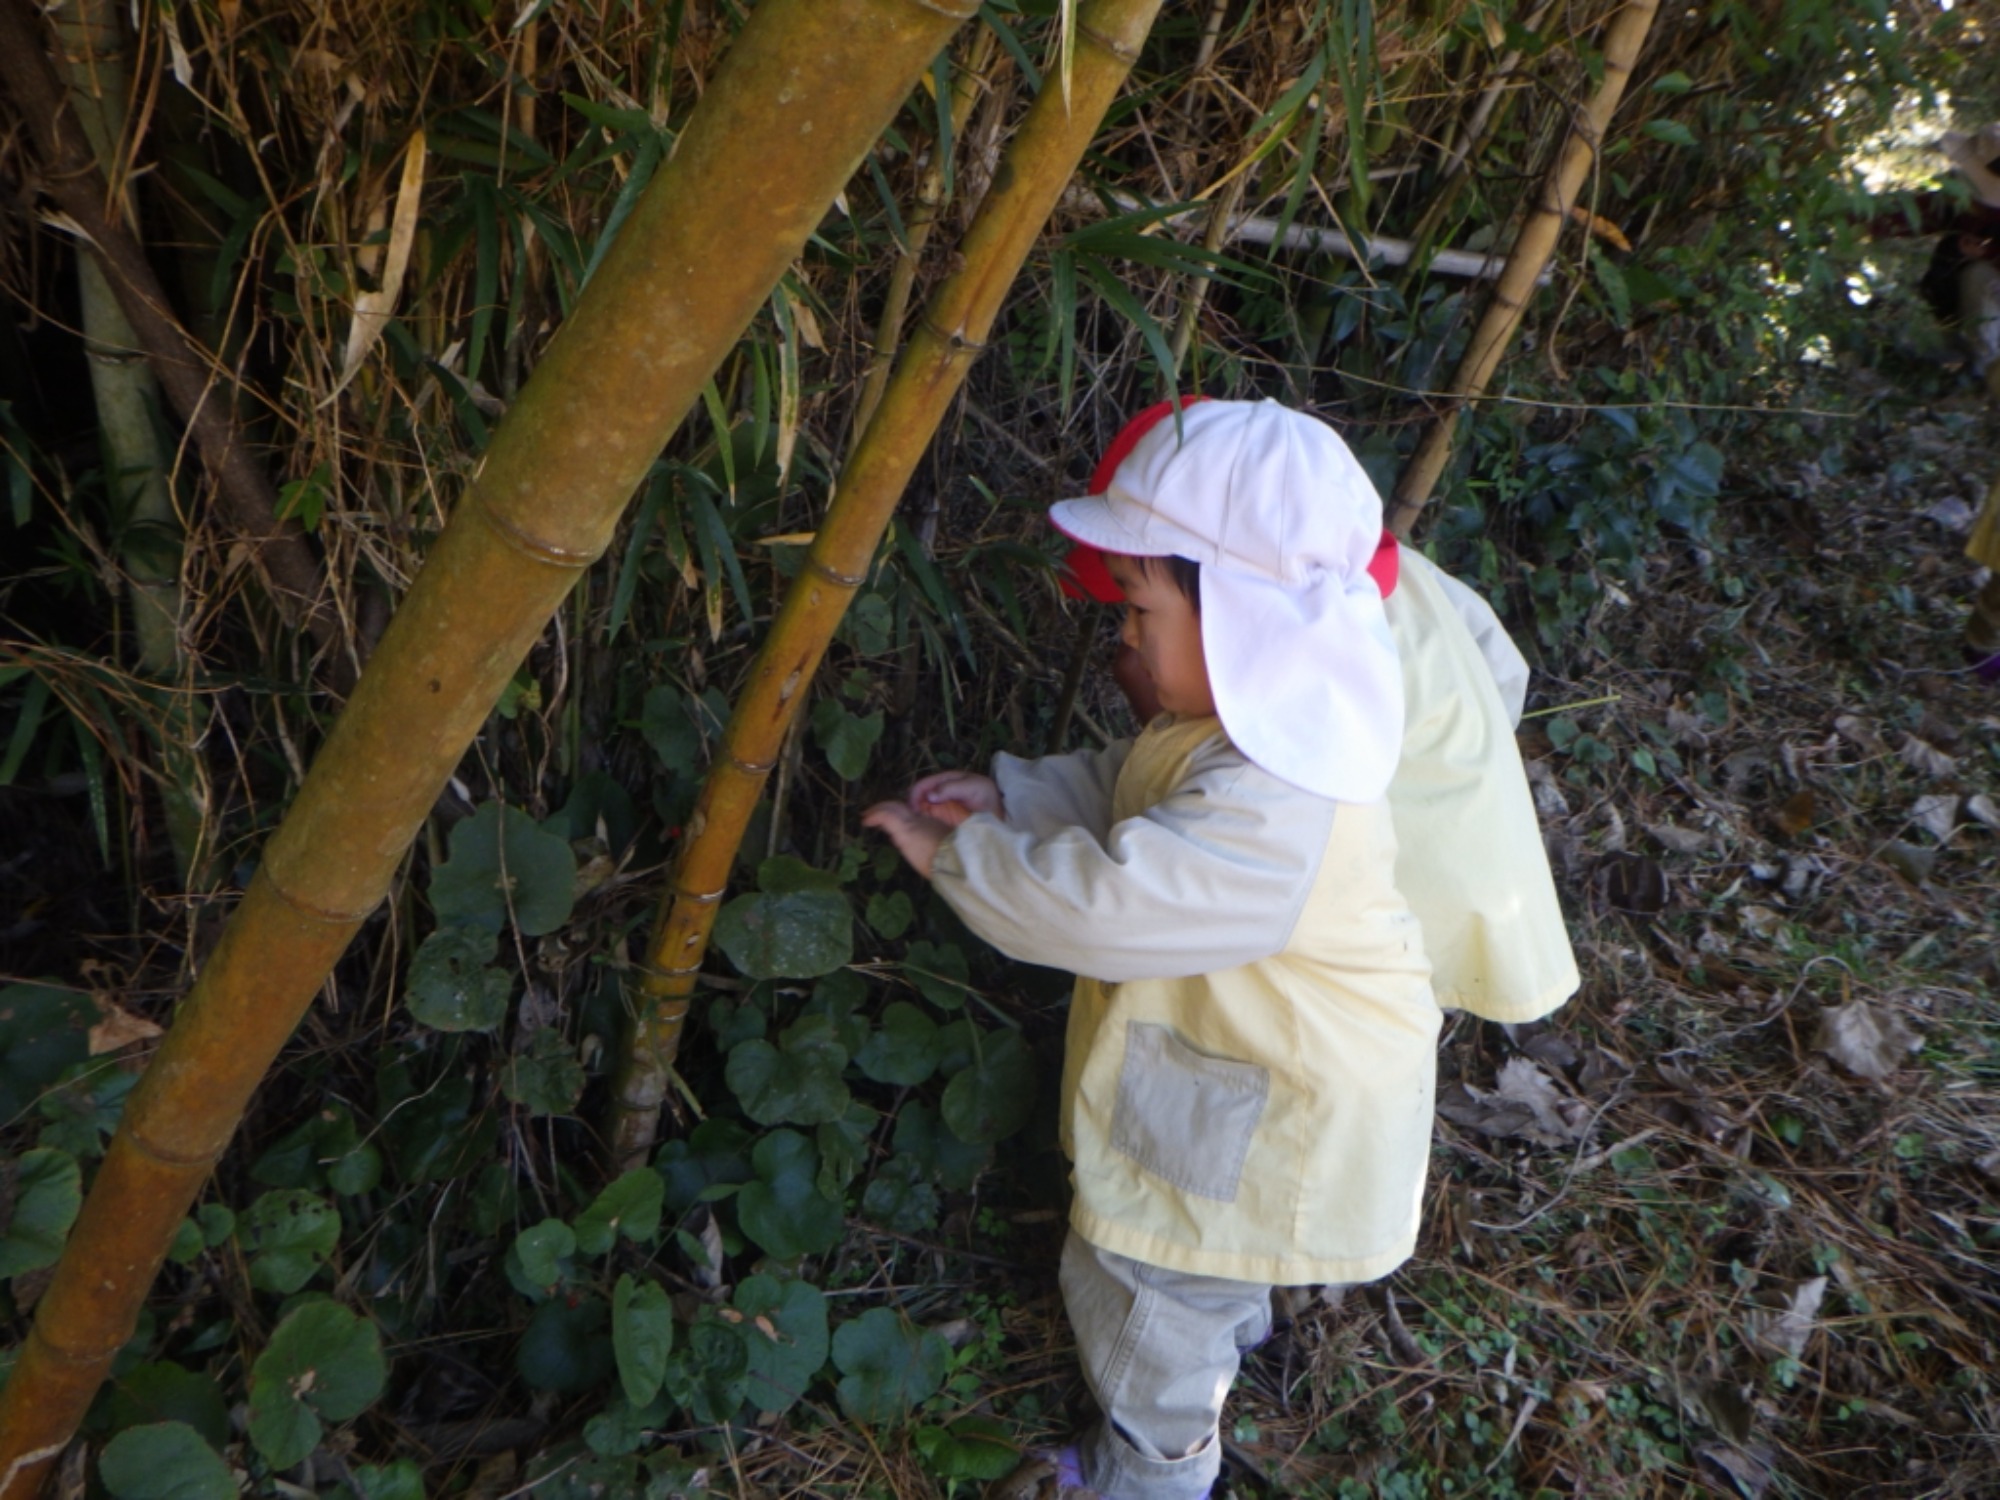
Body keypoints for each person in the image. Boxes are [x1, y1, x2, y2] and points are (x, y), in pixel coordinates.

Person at [864, 399, 1575, 1500]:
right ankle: (1221, 1333)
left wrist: (958, 861)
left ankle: (1149, 1474)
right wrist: (1011, 795)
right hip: (1251, 1082)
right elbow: (1125, 783)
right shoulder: (1253, 728)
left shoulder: (1278, 797)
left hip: (1269, 1107)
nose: (1124, 637)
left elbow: (1111, 906)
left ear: (1242, 616)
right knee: (1193, 1277)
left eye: (1139, 608)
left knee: (1142, 1291)